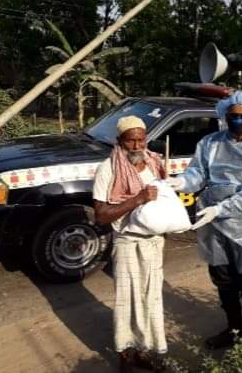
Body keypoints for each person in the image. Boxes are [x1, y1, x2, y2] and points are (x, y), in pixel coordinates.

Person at [167, 91, 242, 349]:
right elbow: (198, 172)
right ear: (225, 116)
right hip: (213, 225)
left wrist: (220, 209)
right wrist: (182, 181)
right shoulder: (209, 143)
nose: (238, 120)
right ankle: (234, 330)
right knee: (224, 282)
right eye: (233, 115)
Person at [93, 115, 167, 372]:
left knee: (151, 298)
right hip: (126, 242)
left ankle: (144, 352)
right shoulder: (108, 169)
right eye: (130, 140)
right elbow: (101, 215)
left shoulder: (154, 163)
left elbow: (162, 198)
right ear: (119, 141)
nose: (137, 146)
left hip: (154, 242)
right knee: (127, 299)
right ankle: (124, 354)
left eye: (141, 139)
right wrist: (137, 200)